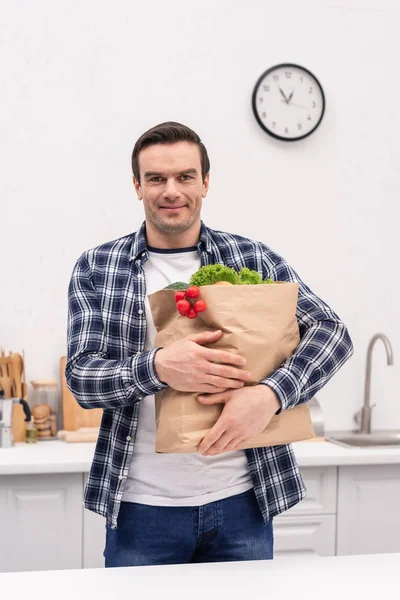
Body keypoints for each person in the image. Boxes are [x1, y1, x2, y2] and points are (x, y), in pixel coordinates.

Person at [66, 121, 353, 567]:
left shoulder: (252, 257)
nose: (171, 191)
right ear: (137, 186)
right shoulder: (98, 267)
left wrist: (269, 395)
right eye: (157, 178)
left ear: (205, 182)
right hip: (143, 508)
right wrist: (159, 368)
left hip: (243, 502)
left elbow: (332, 332)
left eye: (185, 176)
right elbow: (82, 378)